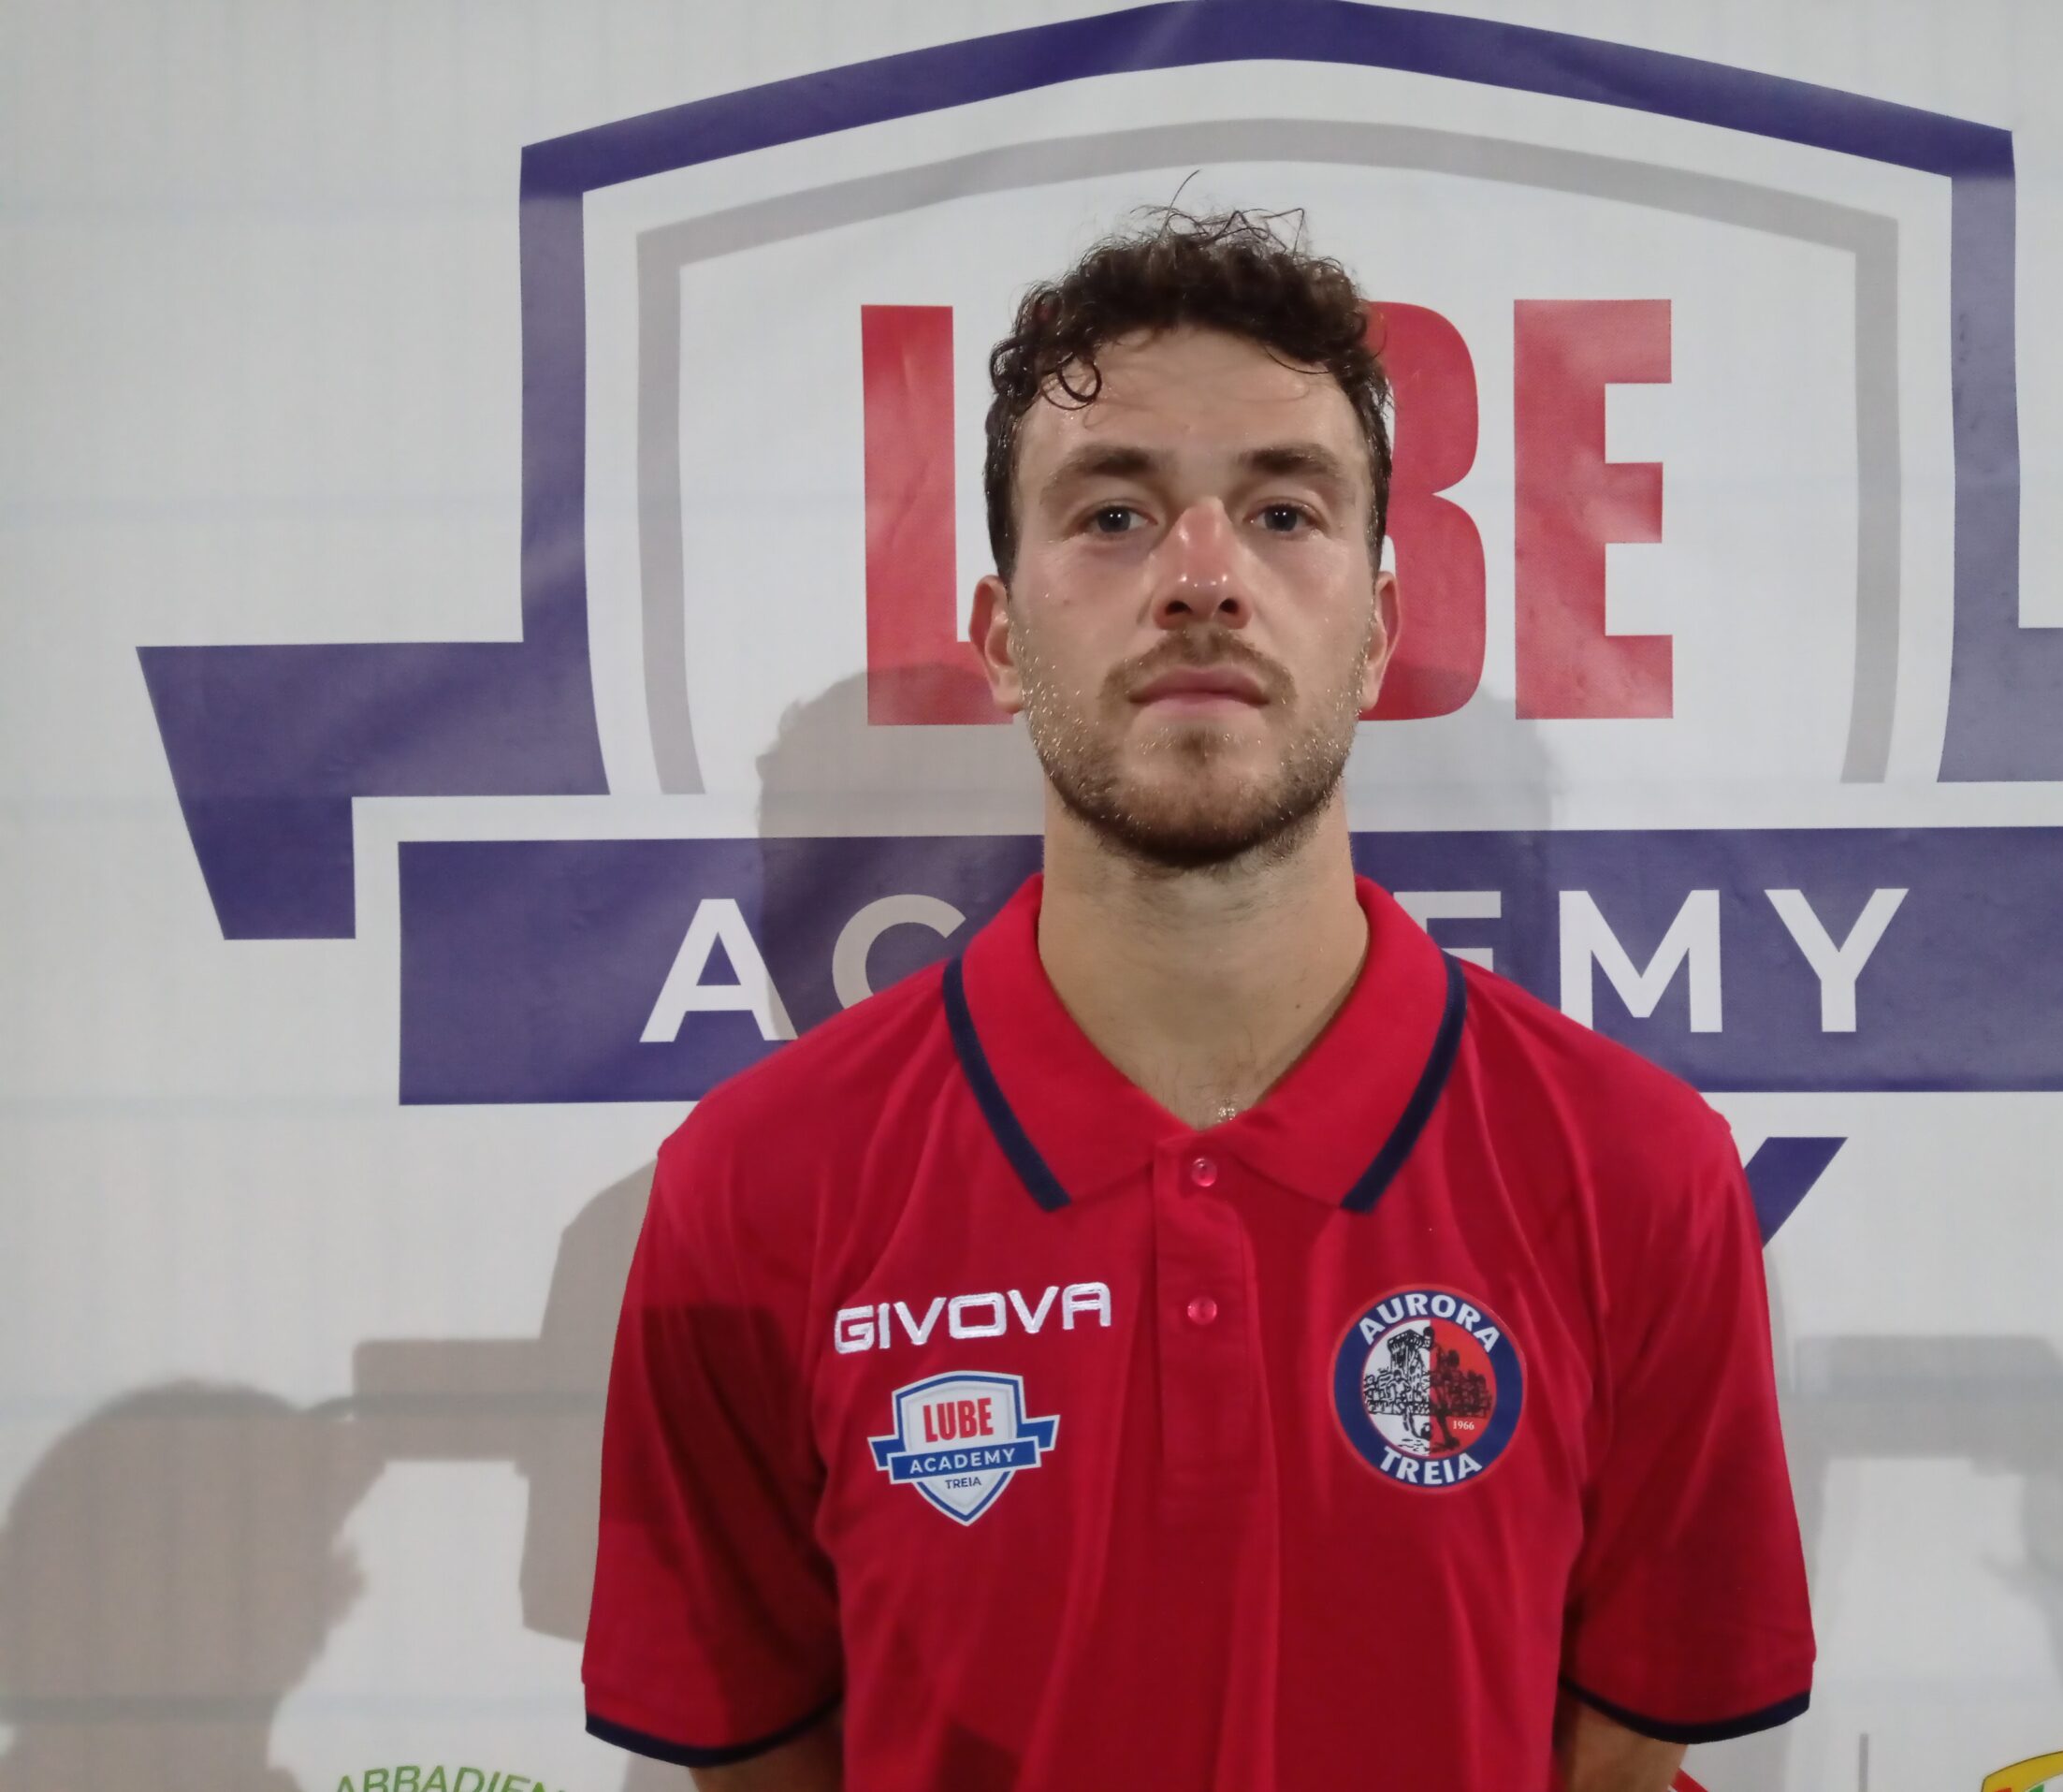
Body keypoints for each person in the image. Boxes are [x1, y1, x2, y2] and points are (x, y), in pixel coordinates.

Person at [581, 206, 1812, 1792]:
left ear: (1380, 632)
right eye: (1114, 514)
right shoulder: (756, 1188)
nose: (1203, 579)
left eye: (1284, 512)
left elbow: (1624, 1761)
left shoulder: (1638, 1171)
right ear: (1001, 638)